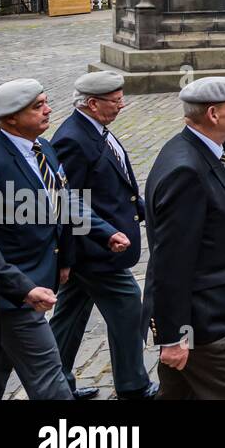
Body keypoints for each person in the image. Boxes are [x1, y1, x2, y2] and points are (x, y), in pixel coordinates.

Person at [0, 80, 125, 400]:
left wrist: (102, 233)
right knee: (50, 379)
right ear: (10, 119)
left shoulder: (43, 147)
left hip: (37, 279)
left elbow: (62, 199)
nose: (49, 109)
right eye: (37, 106)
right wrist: (22, 287)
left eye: (46, 102)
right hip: (14, 292)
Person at [144, 77, 225, 399]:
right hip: (199, 321)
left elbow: (224, 221)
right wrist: (174, 336)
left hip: (212, 306)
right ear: (214, 114)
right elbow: (171, 260)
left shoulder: (204, 152)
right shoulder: (185, 171)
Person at [49, 72, 156, 400]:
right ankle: (133, 385)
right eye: (116, 100)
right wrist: (70, 256)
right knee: (127, 307)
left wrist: (140, 206)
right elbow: (65, 205)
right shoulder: (71, 139)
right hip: (94, 251)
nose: (122, 105)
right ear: (93, 104)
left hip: (94, 250)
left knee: (68, 319)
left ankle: (56, 385)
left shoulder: (93, 131)